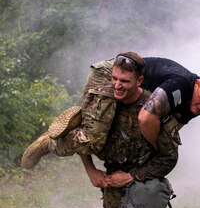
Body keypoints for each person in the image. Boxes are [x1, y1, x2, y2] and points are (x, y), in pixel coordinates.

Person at [80, 53, 179, 208]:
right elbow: (79, 137)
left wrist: (132, 176)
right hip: (112, 177)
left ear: (140, 80)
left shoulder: (154, 109)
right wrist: (91, 170)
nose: (116, 85)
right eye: (114, 78)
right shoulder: (104, 103)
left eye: (124, 81)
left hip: (140, 182)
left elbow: (169, 158)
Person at [21, 53, 199, 169]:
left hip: (131, 84)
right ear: (198, 83)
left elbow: (172, 129)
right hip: (110, 74)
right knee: (93, 139)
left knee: (138, 140)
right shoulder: (180, 84)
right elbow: (146, 117)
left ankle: (84, 123)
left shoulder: (195, 103)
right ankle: (49, 143)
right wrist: (157, 148)